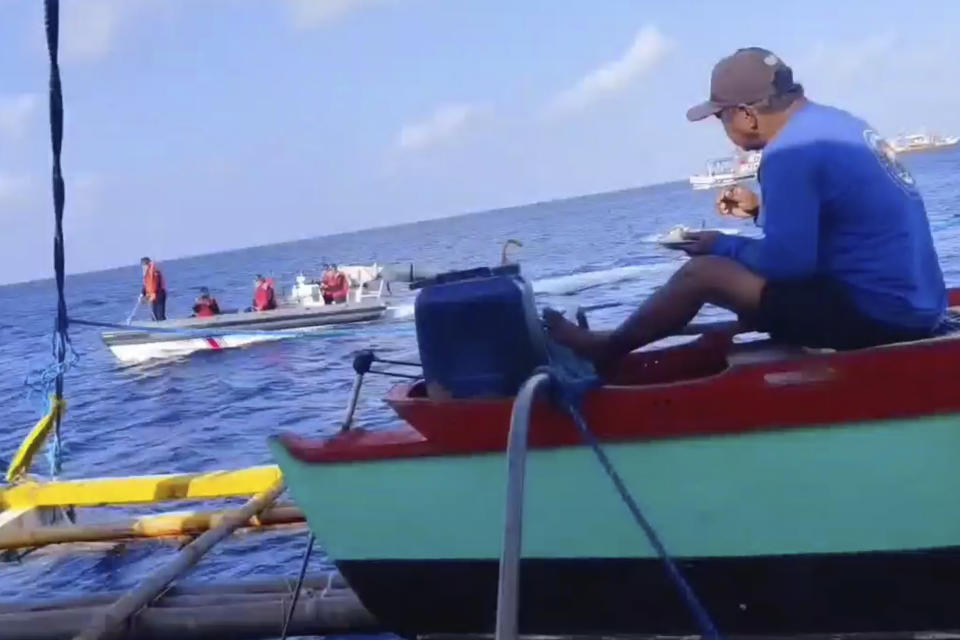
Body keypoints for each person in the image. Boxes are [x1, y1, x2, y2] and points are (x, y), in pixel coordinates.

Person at [546, 47, 945, 364]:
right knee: (746, 276)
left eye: (721, 119)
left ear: (746, 115)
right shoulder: (840, 124)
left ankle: (607, 348)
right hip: (921, 306)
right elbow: (846, 227)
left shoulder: (790, 153)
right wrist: (759, 211)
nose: (724, 131)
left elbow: (789, 264)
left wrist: (721, 244)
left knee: (703, 275)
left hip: (881, 318)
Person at [140, 257, 167, 321]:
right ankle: (155, 326)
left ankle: (164, 326)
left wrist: (148, 296)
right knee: (154, 316)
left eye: (144, 265)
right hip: (153, 295)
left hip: (159, 294)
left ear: (147, 264)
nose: (143, 267)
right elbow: (145, 286)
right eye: (142, 265)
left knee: (160, 315)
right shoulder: (146, 274)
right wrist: (142, 294)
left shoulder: (155, 272)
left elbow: (156, 285)